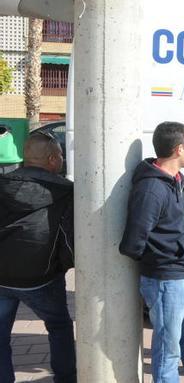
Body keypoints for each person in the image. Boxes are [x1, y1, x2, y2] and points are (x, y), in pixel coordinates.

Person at [120, 122, 184, 383]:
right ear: (179, 149)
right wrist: (165, 259)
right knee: (168, 350)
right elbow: (133, 242)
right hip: (167, 279)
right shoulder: (151, 189)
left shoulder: (174, 180)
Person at [0, 132, 75, 383]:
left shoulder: (2, 184)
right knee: (59, 327)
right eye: (61, 155)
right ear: (52, 159)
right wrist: (62, 267)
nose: (62, 160)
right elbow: (70, 239)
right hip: (42, 278)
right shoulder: (66, 192)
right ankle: (65, 378)